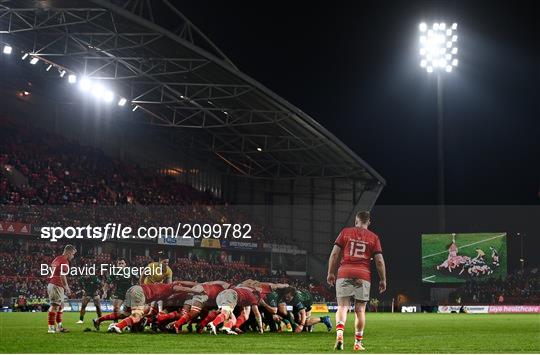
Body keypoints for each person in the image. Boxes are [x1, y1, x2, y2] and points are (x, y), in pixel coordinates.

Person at [327, 211, 386, 351]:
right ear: (369, 222)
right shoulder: (374, 237)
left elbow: (334, 254)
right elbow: (379, 261)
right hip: (363, 275)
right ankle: (357, 343)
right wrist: (383, 279)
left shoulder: (345, 232)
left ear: (356, 221)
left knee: (342, 307)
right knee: (360, 310)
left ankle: (340, 336)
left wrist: (330, 272)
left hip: (344, 272)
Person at [93, 258, 134, 330]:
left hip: (129, 293)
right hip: (119, 292)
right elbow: (107, 283)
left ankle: (127, 325)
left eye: (122, 263)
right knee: (116, 309)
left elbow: (139, 279)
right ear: (117, 265)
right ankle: (115, 324)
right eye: (119, 263)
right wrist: (105, 292)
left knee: (130, 311)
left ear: (125, 264)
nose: (121, 265)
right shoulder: (114, 272)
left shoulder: (130, 271)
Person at [46, 244, 77, 333]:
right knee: (54, 306)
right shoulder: (64, 261)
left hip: (54, 284)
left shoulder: (57, 258)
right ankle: (51, 328)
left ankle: (59, 327)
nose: (73, 256)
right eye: (73, 254)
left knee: (61, 306)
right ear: (68, 252)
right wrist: (67, 287)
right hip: (56, 285)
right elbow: (62, 274)